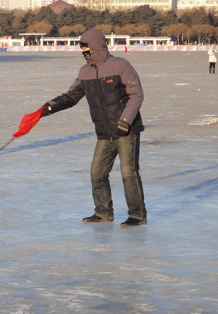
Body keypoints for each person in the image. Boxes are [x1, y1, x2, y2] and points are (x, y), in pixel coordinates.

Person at [39, 28, 146, 227]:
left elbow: (136, 95)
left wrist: (125, 121)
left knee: (128, 173)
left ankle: (137, 215)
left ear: (96, 46)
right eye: (82, 47)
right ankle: (103, 212)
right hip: (104, 133)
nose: (83, 51)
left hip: (126, 131)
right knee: (97, 173)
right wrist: (50, 107)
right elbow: (71, 97)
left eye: (85, 46)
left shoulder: (121, 65)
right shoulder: (84, 71)